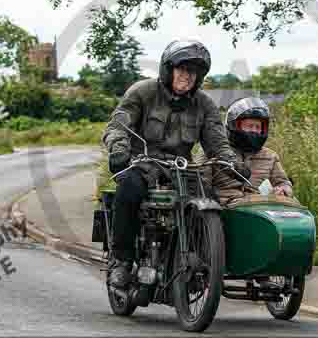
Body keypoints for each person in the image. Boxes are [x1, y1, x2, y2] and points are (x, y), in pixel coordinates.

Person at [101, 39, 250, 288]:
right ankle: (121, 261)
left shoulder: (204, 104)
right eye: (182, 69)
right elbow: (118, 125)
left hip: (182, 169)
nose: (187, 76)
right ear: (168, 69)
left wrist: (232, 162)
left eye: (193, 71)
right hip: (142, 164)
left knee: (210, 199)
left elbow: (217, 142)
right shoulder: (143, 92)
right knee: (128, 190)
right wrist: (118, 148)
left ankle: (203, 264)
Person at [198, 97, 294, 206]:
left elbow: (284, 183)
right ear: (234, 126)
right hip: (225, 211)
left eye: (258, 127)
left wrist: (283, 190)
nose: (254, 130)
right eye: (249, 126)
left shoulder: (270, 156)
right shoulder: (213, 151)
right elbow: (200, 185)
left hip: (260, 210)